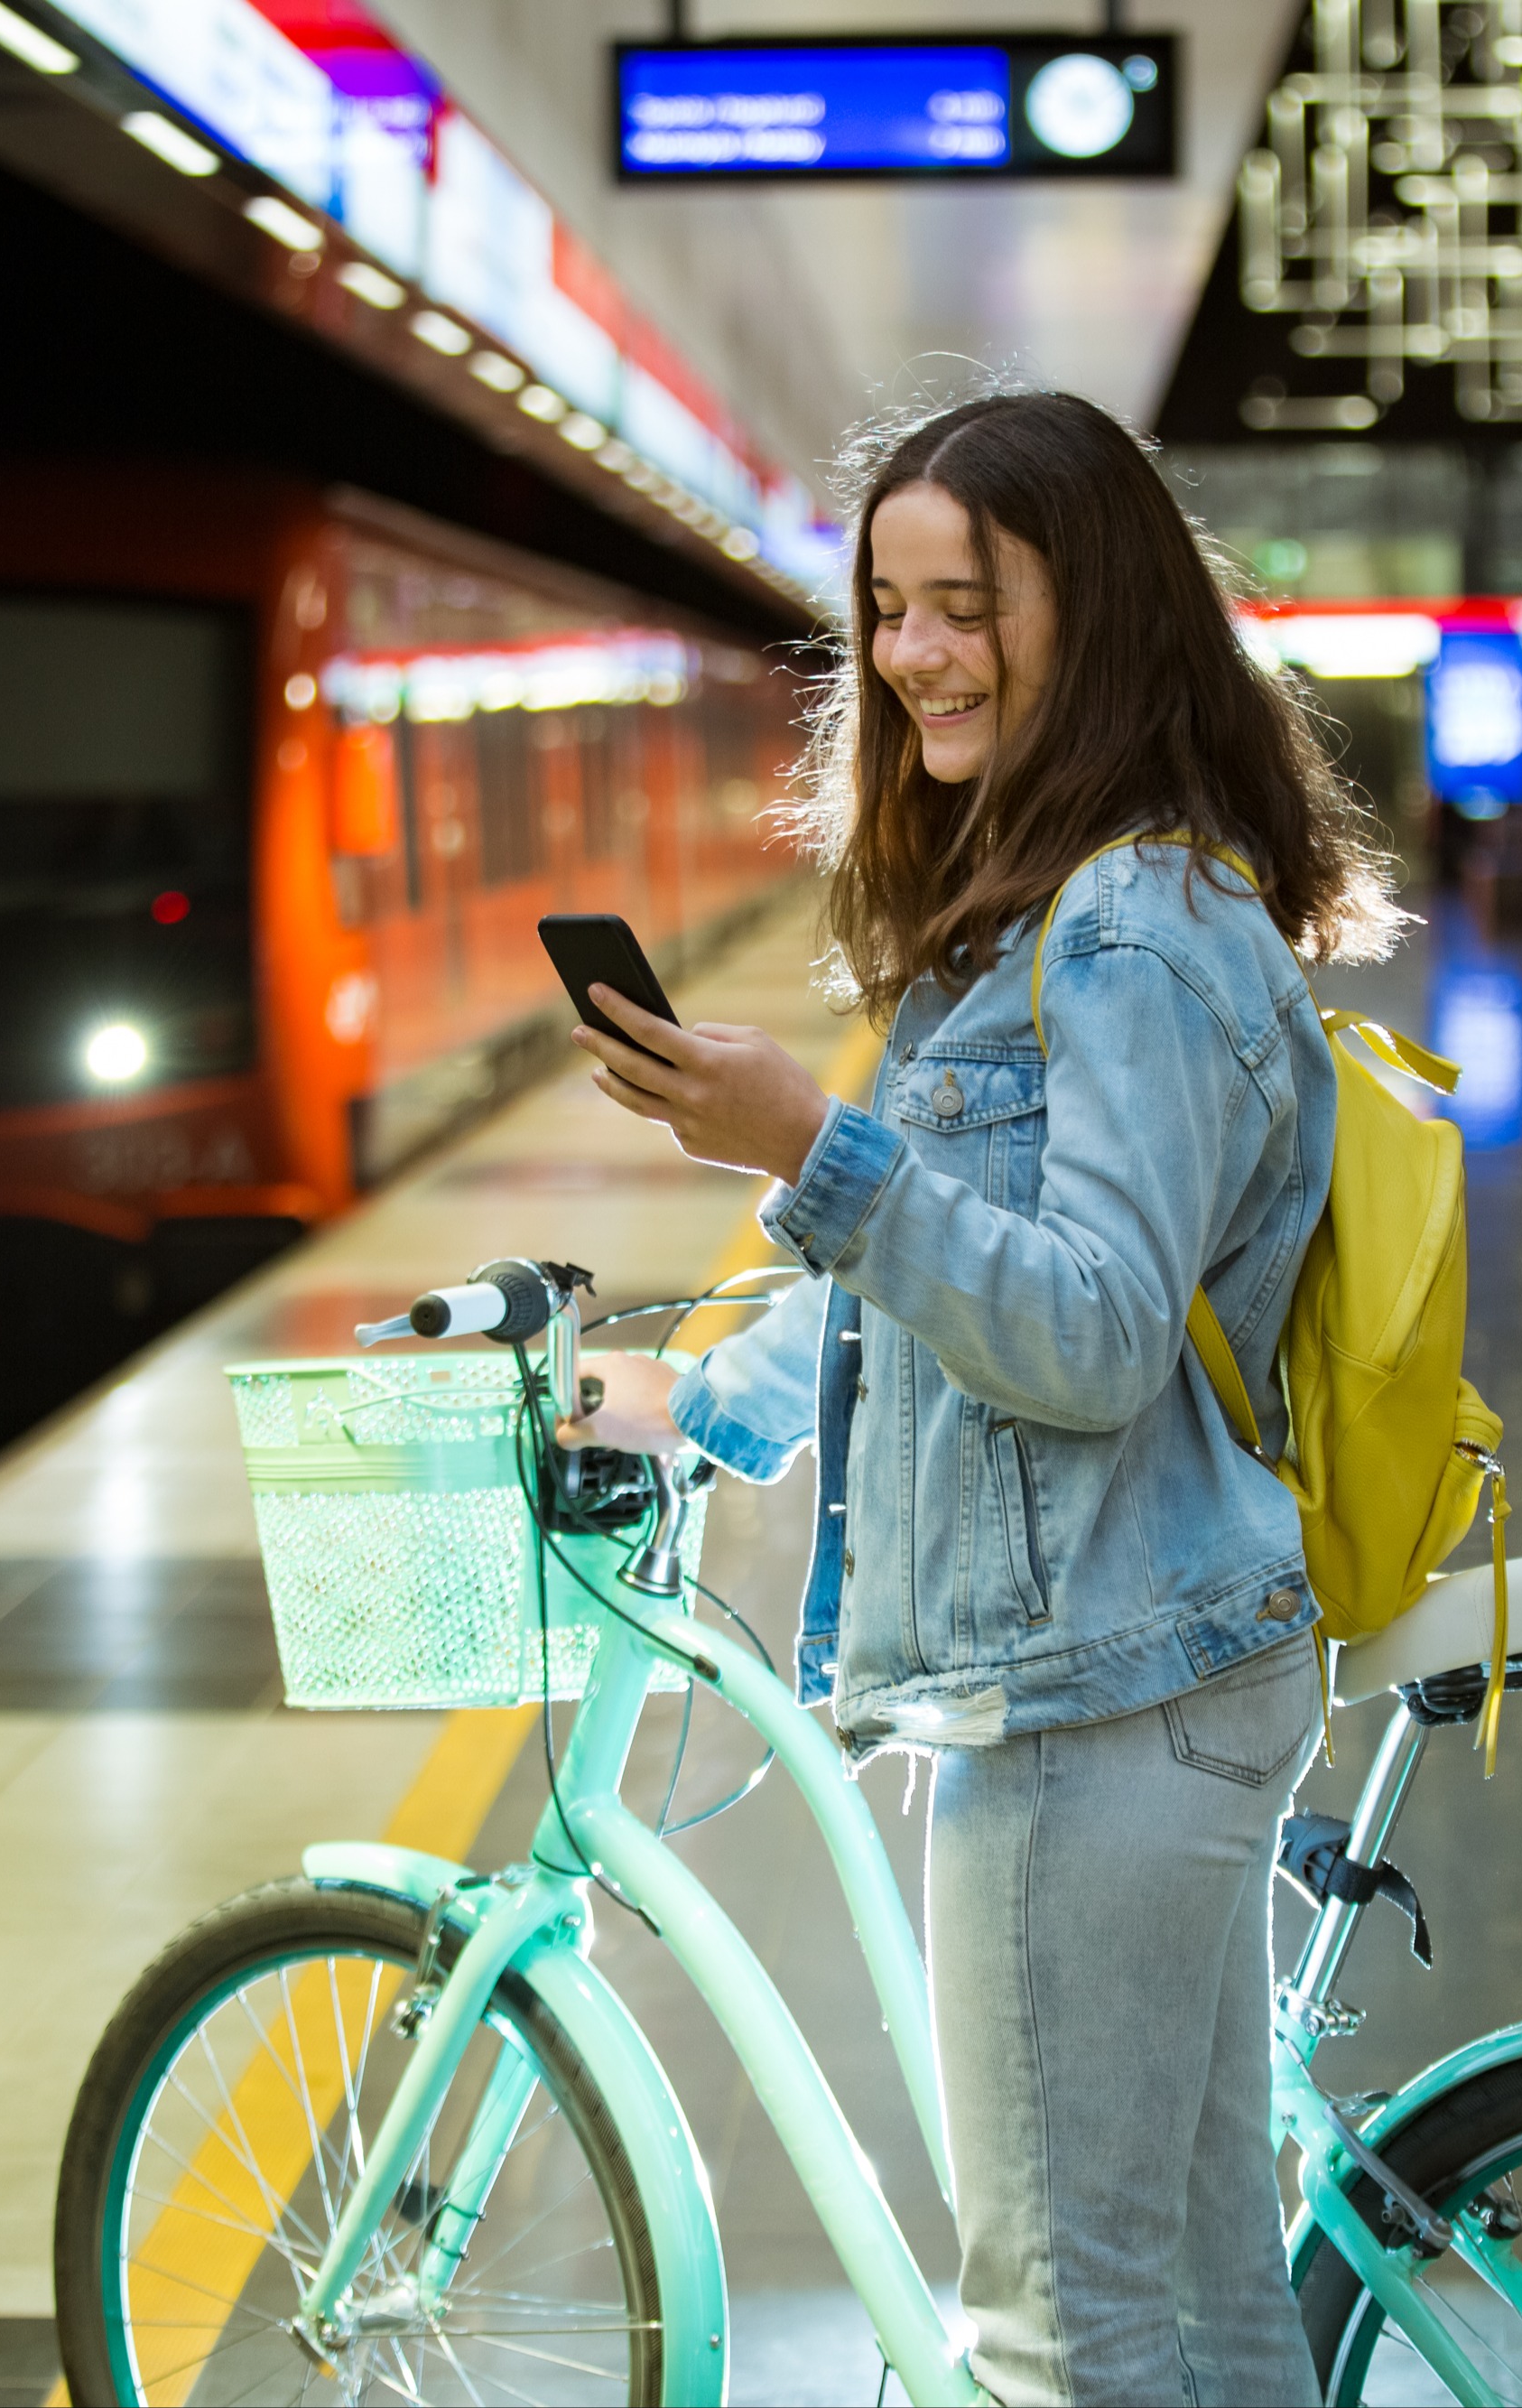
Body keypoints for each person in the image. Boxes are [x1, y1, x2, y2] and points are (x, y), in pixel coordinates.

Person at [556, 391, 1398, 2406]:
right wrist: (703, 1398)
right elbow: (949, 1272)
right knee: (1192, 2306)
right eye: (888, 608)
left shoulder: (1123, 925)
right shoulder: (1056, 908)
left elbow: (1091, 1327)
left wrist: (800, 1143)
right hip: (1142, 1658)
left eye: (966, 607)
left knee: (1053, 2329)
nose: (915, 654)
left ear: (1088, 617)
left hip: (1096, 1685)